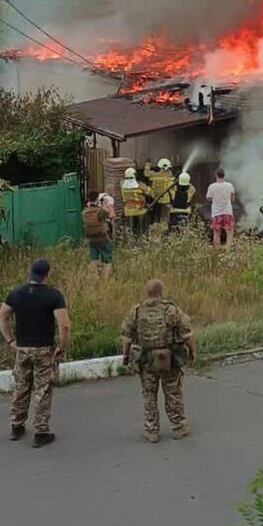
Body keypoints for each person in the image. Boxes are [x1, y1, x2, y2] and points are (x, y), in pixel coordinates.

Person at [0, 257, 70, 447]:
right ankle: (41, 431)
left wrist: (10, 340)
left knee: (21, 385)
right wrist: (61, 347)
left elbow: (2, 315)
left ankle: (17, 425)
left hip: (22, 348)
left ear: (31, 273)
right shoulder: (54, 295)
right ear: (47, 274)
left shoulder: (17, 293)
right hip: (44, 349)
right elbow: (64, 325)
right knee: (43, 389)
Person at [120, 278, 194, 443]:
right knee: (173, 392)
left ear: (148, 292)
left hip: (146, 360)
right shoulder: (171, 310)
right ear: (161, 292)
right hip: (169, 359)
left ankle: (151, 430)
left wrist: (125, 356)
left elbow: (126, 336)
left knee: (149, 394)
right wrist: (192, 351)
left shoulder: (137, 311)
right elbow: (187, 334)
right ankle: (178, 427)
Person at [81, 191, 114, 274]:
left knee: (94, 258)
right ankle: (105, 277)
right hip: (101, 237)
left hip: (90, 238)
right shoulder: (100, 211)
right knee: (107, 257)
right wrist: (108, 205)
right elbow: (112, 215)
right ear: (97, 199)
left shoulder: (84, 212)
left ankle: (93, 277)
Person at [205, 168, 237, 248]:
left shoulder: (212, 186)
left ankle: (217, 251)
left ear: (216, 175)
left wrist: (215, 199)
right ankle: (228, 250)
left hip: (216, 213)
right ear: (224, 175)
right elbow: (232, 197)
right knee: (229, 232)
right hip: (227, 211)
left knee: (216, 233)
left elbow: (208, 198)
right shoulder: (229, 185)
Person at [119, 167, 151, 240]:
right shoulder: (139, 184)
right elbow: (149, 192)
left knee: (131, 229)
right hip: (140, 210)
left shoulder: (122, 184)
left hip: (128, 211)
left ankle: (131, 242)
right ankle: (141, 242)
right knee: (142, 229)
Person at [146, 158, 176, 231]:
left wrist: (147, 165)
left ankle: (154, 231)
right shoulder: (169, 175)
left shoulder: (154, 175)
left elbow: (146, 173)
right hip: (165, 201)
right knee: (164, 219)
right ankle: (164, 232)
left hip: (155, 199)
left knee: (155, 219)